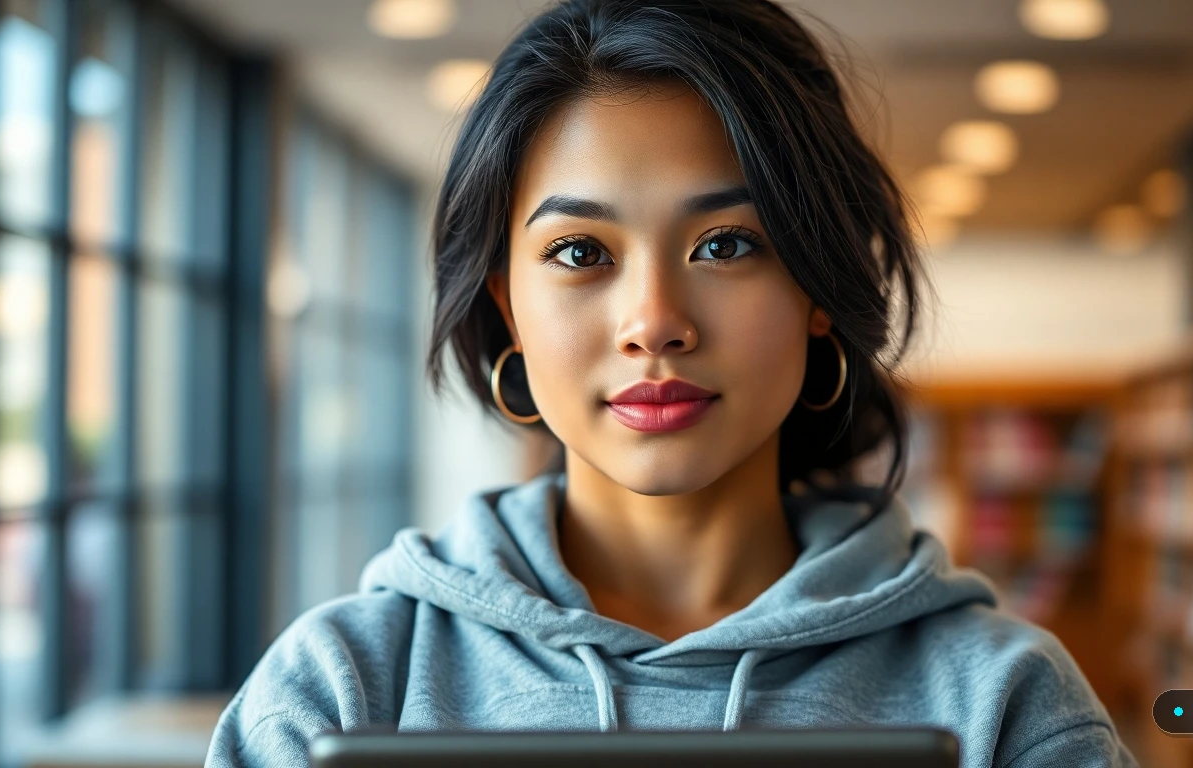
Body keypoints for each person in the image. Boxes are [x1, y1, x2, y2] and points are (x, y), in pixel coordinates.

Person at [205, 1, 1139, 765]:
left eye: (726, 245)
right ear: (507, 304)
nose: (653, 321)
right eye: (579, 252)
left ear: (817, 285)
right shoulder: (341, 689)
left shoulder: (1005, 704)